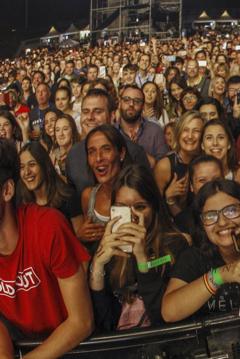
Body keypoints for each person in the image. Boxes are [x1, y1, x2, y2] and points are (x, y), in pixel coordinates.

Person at [0, 139, 93, 358]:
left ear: (7, 190)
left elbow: (82, 321)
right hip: (24, 345)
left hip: (70, 348)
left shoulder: (48, 226)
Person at [90, 164, 189, 331]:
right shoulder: (108, 249)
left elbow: (164, 319)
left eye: (140, 207)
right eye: (122, 208)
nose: (132, 217)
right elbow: (104, 323)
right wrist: (97, 267)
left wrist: (143, 261)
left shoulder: (175, 246)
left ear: (154, 207)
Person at [161, 180, 240, 322]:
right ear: (202, 225)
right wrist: (221, 275)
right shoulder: (194, 257)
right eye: (210, 215)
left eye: (231, 210)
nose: (222, 222)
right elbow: (169, 312)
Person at [66, 89, 150, 195]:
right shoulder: (73, 154)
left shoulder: (134, 152)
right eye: (85, 112)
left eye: (98, 112)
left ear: (112, 116)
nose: (90, 117)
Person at [79, 125, 129, 247]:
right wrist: (80, 237)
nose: (98, 158)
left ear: (121, 153)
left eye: (106, 149)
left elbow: (164, 256)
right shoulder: (88, 196)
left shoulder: (137, 195)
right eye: (92, 152)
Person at [17, 141, 83, 231]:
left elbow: (80, 236)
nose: (27, 172)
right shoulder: (22, 204)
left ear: (45, 166)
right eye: (22, 167)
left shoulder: (69, 197)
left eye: (32, 164)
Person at [154, 111, 204, 217]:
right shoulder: (165, 165)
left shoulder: (206, 164)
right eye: (185, 130)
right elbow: (155, 207)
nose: (190, 136)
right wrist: (169, 197)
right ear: (179, 133)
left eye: (196, 131)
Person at [117, 85, 168, 163]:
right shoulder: (112, 131)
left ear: (143, 105)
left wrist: (136, 149)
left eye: (137, 101)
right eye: (126, 100)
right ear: (120, 103)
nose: (131, 104)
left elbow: (163, 167)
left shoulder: (155, 130)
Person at [49, 113, 80, 180]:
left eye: (65, 129)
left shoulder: (79, 153)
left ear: (73, 131)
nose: (61, 134)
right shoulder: (54, 154)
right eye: (57, 130)